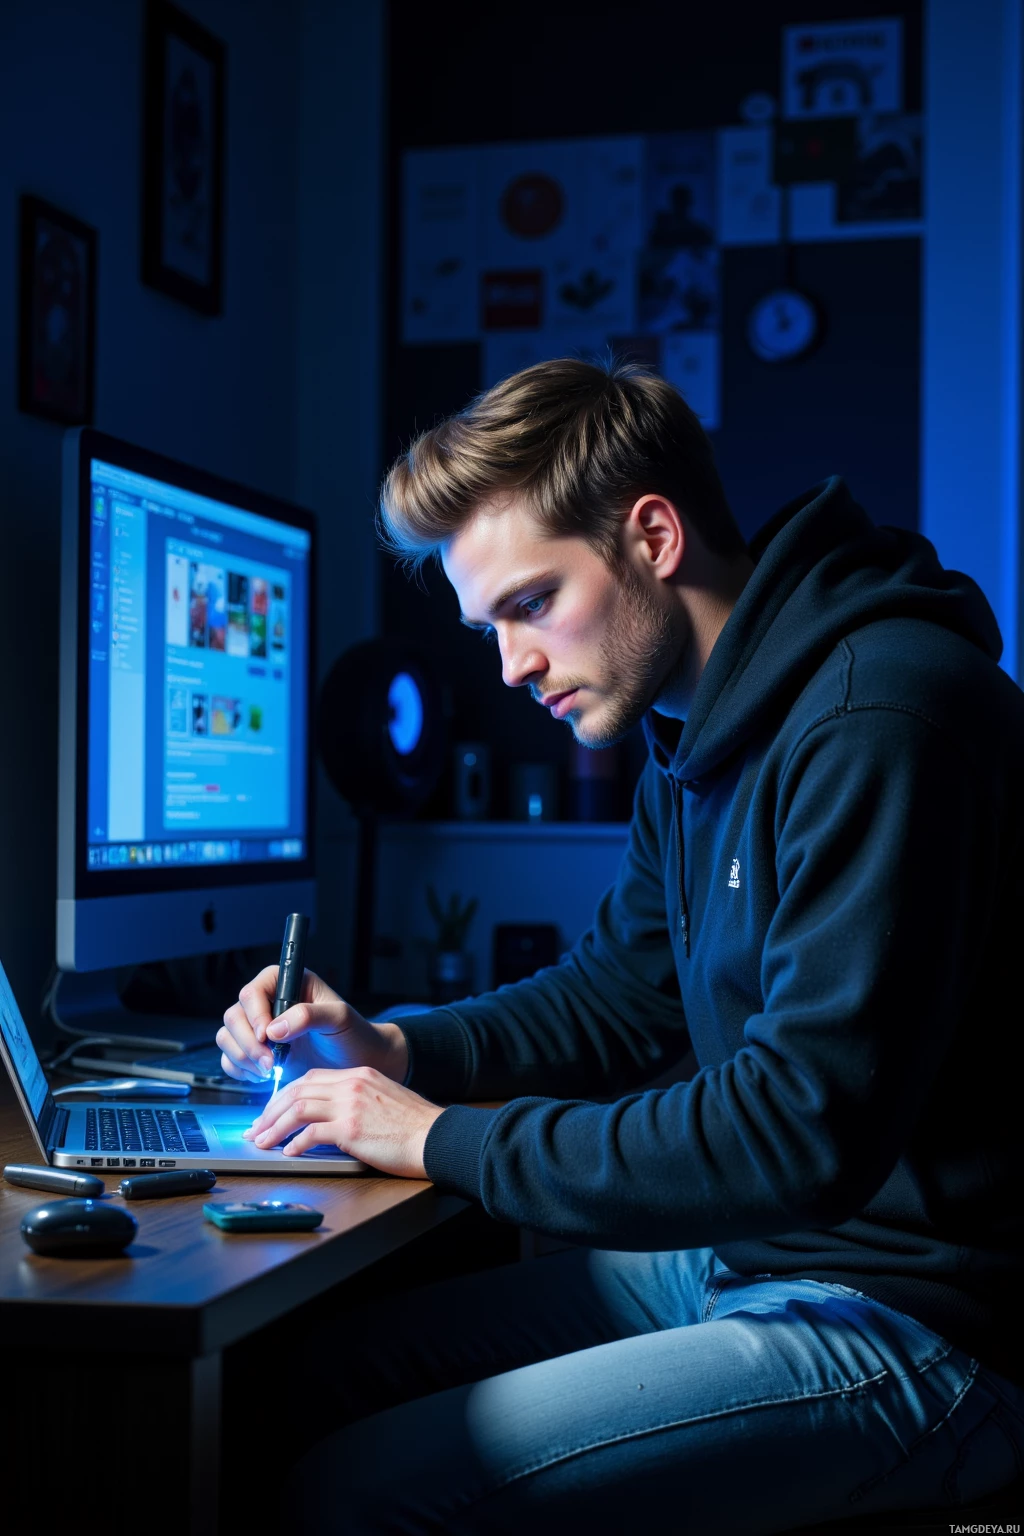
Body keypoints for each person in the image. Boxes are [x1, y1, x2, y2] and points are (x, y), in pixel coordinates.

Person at [218, 359, 1024, 1533]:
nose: (510, 668)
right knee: (286, 1385)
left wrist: (437, 1138)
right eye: (487, 625)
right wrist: (392, 1047)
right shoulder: (694, 735)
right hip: (757, 1264)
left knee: (356, 1497)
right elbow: (614, 998)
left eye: (530, 604)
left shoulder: (882, 717)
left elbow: (799, 1125)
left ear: (651, 535)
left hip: (928, 1325)